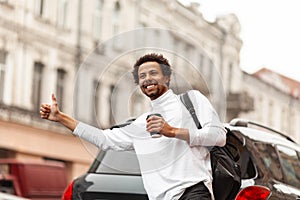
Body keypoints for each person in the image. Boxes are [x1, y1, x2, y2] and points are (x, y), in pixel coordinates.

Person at [40, 53, 226, 200]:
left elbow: (218, 137)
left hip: (193, 192)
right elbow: (104, 140)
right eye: (142, 76)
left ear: (167, 77)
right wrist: (62, 118)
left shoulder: (191, 100)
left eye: (153, 73)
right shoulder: (141, 124)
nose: (147, 79)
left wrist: (172, 131)